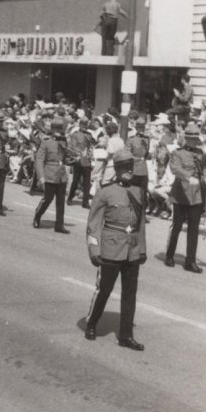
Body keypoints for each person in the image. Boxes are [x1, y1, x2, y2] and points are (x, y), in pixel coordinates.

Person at [84, 149, 147, 351]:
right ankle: (92, 322)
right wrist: (94, 251)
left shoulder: (138, 192)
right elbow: (93, 224)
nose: (129, 170)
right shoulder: (105, 192)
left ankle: (126, 335)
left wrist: (142, 249)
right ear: (117, 170)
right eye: (124, 167)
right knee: (104, 290)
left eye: (131, 166)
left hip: (132, 249)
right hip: (110, 249)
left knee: (130, 294)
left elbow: (141, 224)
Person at [164, 123, 206, 273]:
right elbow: (175, 168)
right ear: (186, 139)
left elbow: (205, 171)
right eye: (191, 138)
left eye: (196, 139)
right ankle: (169, 255)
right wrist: (189, 177)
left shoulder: (201, 153)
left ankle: (190, 261)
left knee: (193, 229)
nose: (194, 141)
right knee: (177, 226)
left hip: (196, 196)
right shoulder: (177, 153)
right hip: (181, 194)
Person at [33, 116, 70, 233]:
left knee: (60, 202)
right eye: (57, 129)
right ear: (52, 130)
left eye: (61, 128)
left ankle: (59, 225)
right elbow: (39, 160)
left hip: (61, 174)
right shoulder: (46, 142)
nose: (59, 131)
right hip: (49, 174)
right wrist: (41, 177)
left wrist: (72, 160)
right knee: (47, 199)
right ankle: (37, 216)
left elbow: (65, 158)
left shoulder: (64, 142)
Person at [67, 116, 94, 208]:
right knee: (75, 180)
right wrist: (79, 153)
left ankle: (85, 202)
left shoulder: (89, 135)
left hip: (86, 160)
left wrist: (90, 154)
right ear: (80, 124)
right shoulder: (75, 134)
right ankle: (70, 197)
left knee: (87, 182)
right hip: (78, 159)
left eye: (85, 124)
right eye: (83, 124)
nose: (84, 126)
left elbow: (91, 146)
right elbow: (72, 146)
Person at [125, 117, 151, 210]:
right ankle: (130, 211)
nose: (141, 129)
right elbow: (127, 154)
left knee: (143, 193)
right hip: (134, 169)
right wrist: (137, 159)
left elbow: (148, 154)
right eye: (140, 127)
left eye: (143, 127)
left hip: (144, 170)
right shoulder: (131, 139)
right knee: (132, 191)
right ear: (136, 128)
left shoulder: (147, 139)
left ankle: (142, 213)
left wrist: (149, 155)